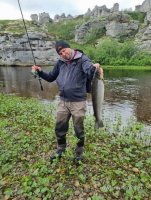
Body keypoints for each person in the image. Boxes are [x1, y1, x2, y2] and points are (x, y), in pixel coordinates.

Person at [32, 40, 103, 165]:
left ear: (69, 48)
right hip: (63, 101)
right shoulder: (60, 63)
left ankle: (79, 152)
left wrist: (95, 68)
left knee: (78, 128)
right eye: (60, 53)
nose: (63, 54)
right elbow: (50, 77)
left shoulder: (83, 59)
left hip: (78, 102)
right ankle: (61, 148)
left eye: (64, 51)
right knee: (60, 127)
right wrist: (40, 72)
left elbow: (89, 71)